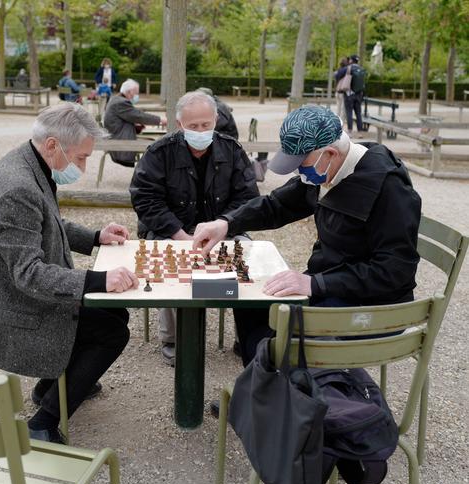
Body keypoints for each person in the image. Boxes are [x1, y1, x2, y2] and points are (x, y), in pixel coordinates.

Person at [0, 103, 139, 444]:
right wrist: (98, 280)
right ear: (53, 145)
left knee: (113, 311)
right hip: (6, 308)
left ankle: (50, 386)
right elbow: (28, 274)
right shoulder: (17, 188)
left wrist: (96, 237)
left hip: (8, 292)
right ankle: (43, 422)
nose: (82, 166)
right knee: (112, 333)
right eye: (81, 158)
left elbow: (47, 223)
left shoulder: (29, 161)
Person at [192, 105, 421, 369]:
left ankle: (282, 398)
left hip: (372, 306)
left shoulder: (389, 189)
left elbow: (394, 272)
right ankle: (262, 393)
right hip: (331, 285)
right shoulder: (324, 170)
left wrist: (315, 284)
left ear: (330, 153)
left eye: (302, 164)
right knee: (249, 303)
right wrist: (226, 223)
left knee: (280, 332)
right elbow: (276, 206)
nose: (299, 173)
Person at [130, 90, 260, 365]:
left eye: (206, 125)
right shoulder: (159, 152)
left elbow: (248, 198)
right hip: (172, 229)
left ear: (215, 120)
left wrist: (222, 225)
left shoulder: (232, 149)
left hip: (222, 226)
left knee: (248, 253)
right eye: (193, 126)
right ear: (180, 124)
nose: (200, 131)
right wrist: (180, 234)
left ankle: (248, 335)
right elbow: (146, 200)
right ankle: (173, 338)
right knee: (169, 257)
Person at [103, 78, 167, 167]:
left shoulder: (116, 99)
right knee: (158, 146)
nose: (137, 95)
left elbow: (134, 116)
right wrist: (160, 120)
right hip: (121, 143)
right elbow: (139, 116)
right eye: (136, 93)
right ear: (129, 92)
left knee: (156, 142)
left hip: (118, 137)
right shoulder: (121, 103)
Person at [344, 54, 366, 135]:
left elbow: (338, 74)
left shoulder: (349, 68)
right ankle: (360, 132)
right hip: (359, 94)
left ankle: (350, 131)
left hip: (350, 94)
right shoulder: (361, 69)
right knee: (358, 114)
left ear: (351, 60)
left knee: (349, 112)